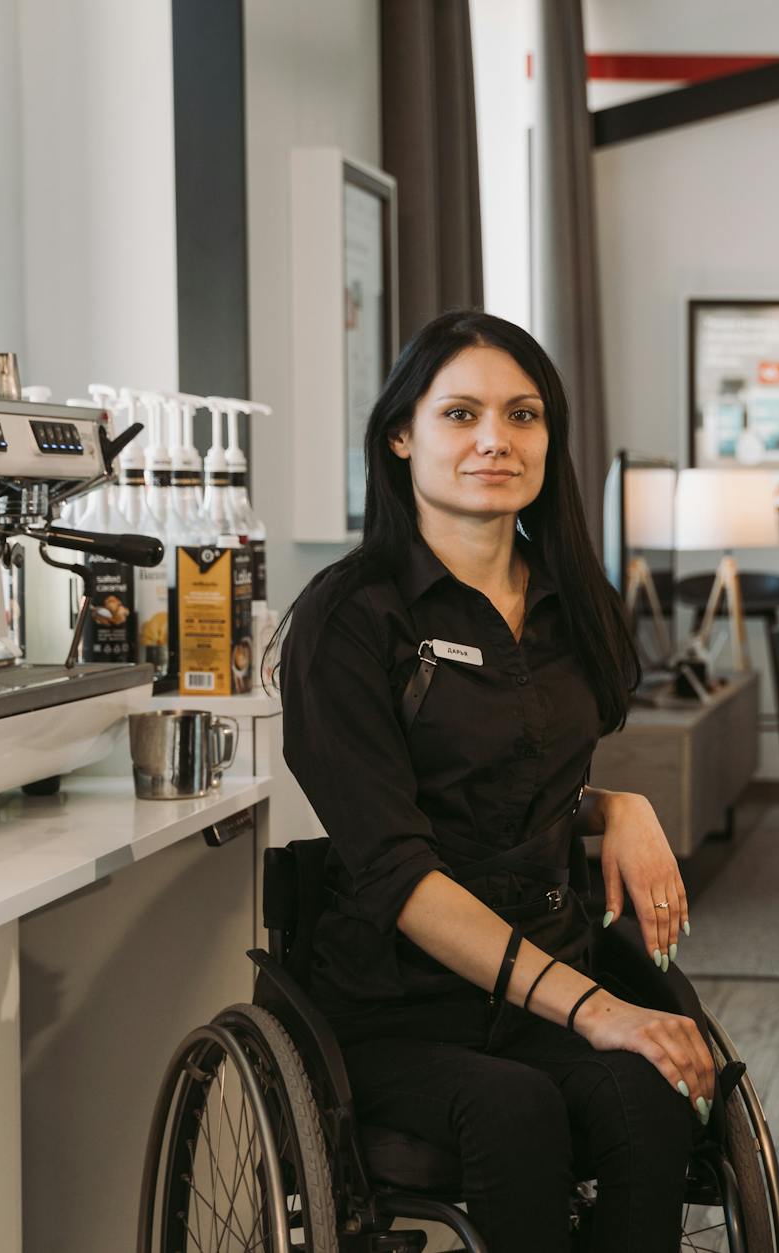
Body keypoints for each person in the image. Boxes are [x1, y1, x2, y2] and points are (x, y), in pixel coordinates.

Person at [277, 309, 714, 1252]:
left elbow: (516, 784)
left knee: (654, 1095)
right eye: (461, 413)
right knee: (516, 1111)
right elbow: (397, 868)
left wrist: (617, 805)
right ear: (402, 435)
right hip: (398, 1006)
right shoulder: (347, 622)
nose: (494, 440)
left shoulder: (575, 604)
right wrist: (596, 1008)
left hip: (547, 974)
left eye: (522, 416)